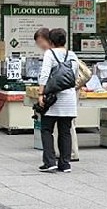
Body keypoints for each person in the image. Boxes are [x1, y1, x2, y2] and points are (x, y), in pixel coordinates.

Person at [34, 28, 80, 162]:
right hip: (69, 99)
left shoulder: (50, 54)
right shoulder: (72, 55)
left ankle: (50, 162)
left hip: (54, 99)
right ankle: (65, 164)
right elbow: (76, 76)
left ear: (51, 41)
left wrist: (41, 93)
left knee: (47, 129)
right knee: (65, 132)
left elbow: (44, 75)